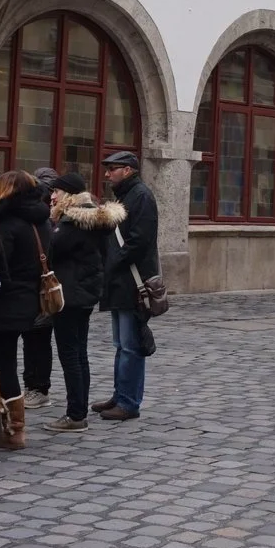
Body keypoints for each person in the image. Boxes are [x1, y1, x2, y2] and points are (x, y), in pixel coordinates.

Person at [0, 170, 49, 450]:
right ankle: (1, 415)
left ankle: (9, 423)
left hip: (5, 301)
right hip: (29, 299)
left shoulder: (8, 224)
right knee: (1, 357)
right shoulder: (41, 221)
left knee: (1, 360)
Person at [40, 172, 107, 430]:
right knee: (79, 354)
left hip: (69, 295)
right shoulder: (90, 220)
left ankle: (75, 415)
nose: (52, 196)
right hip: (84, 293)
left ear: (68, 195)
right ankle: (78, 410)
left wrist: (52, 224)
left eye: (56, 192)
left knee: (71, 355)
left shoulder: (71, 223)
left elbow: (51, 252)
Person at [96, 150, 158, 421]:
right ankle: (120, 394)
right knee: (122, 344)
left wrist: (111, 263)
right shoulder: (125, 195)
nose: (108, 174)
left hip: (132, 281)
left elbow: (139, 240)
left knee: (131, 345)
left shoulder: (141, 196)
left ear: (128, 170)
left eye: (113, 169)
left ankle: (129, 402)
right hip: (120, 282)